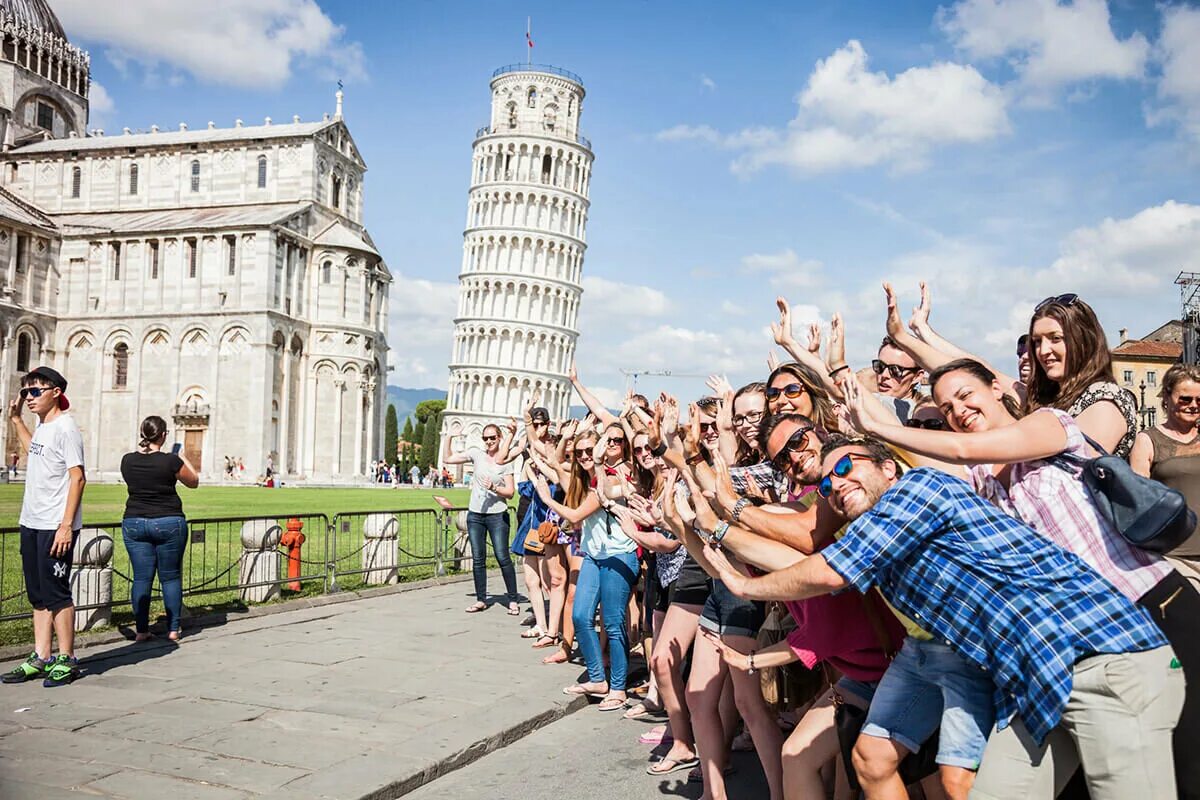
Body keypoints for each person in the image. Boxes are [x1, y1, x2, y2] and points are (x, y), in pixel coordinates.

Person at [704, 435, 1183, 800]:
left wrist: (744, 584)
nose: (836, 485)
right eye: (826, 484)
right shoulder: (879, 543)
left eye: (847, 467)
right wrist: (708, 525)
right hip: (1034, 680)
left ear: (889, 468)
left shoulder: (919, 489)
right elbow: (807, 560)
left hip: (1101, 658)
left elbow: (827, 570)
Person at [534, 427, 639, 714]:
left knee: (614, 624)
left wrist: (547, 499)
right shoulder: (587, 479)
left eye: (588, 451)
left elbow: (579, 514)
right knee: (581, 615)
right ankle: (597, 679)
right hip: (594, 555)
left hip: (619, 555)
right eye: (578, 453)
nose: (583, 457)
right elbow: (556, 464)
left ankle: (618, 688)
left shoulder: (617, 476)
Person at [2, 366, 86, 687]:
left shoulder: (66, 427)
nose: (29, 397)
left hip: (55, 524)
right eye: (26, 392)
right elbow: (34, 449)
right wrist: (15, 419)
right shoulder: (44, 426)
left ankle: (67, 657)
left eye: (35, 391)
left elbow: (77, 477)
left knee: (56, 592)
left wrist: (66, 526)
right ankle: (41, 655)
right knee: (37, 595)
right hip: (32, 521)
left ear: (56, 392)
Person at [1025, 294, 1138, 458]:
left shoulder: (1106, 399)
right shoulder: (1045, 398)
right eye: (1037, 341)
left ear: (1084, 340)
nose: (1043, 351)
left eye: (1055, 338)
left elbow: (1073, 469)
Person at [120, 416, 200, 642]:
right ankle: (174, 629)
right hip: (168, 521)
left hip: (134, 521)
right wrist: (182, 457)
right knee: (170, 577)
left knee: (142, 578)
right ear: (163, 435)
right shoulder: (170, 461)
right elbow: (193, 481)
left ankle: (142, 630)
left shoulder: (127, 460)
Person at [1131, 361, 1200, 580]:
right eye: (1185, 399)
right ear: (1166, 397)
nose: (1193, 405)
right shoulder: (1148, 440)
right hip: (1174, 555)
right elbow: (1138, 500)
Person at [442, 425, 520, 614]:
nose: (489, 441)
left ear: (500, 438)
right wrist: (449, 437)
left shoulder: (505, 461)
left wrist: (495, 488)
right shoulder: (477, 455)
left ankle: (513, 599)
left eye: (492, 438)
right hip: (475, 514)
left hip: (497, 515)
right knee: (478, 559)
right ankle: (481, 599)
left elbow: (510, 492)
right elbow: (448, 458)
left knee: (502, 557)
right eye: (485, 438)